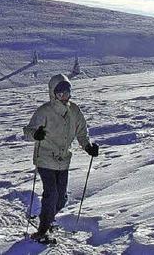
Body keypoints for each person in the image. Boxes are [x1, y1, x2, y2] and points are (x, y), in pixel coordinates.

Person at [23, 74, 99, 243]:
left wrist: (88, 146)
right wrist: (36, 134)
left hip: (63, 160)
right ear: (53, 94)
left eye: (67, 92)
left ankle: (47, 218)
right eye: (61, 93)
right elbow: (27, 132)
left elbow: (81, 132)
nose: (65, 96)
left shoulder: (74, 111)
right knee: (52, 194)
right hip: (45, 159)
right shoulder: (44, 111)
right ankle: (42, 231)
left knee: (62, 198)